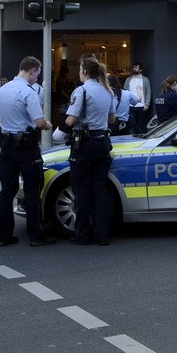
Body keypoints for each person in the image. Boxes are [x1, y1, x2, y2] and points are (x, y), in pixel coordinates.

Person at [0, 56, 55, 247]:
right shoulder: (28, 93)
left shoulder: (2, 90)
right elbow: (39, 122)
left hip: (7, 146)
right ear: (33, 71)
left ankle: (4, 236)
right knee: (32, 190)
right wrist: (48, 125)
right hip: (26, 148)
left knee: (7, 191)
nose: (37, 78)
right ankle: (36, 235)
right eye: (37, 73)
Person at [65, 57, 116, 246]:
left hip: (84, 144)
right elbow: (111, 119)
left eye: (80, 69)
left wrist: (66, 118)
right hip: (103, 142)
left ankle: (82, 235)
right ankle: (101, 235)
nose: (79, 72)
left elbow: (70, 121)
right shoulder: (108, 90)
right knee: (100, 190)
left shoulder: (82, 91)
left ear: (85, 72)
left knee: (82, 190)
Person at [124, 63, 151, 134]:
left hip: (141, 106)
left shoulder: (145, 80)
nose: (134, 69)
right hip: (130, 106)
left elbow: (148, 92)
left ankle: (141, 139)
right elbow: (125, 92)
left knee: (141, 125)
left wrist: (147, 104)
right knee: (131, 125)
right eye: (134, 67)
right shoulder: (128, 80)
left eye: (136, 68)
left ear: (140, 69)